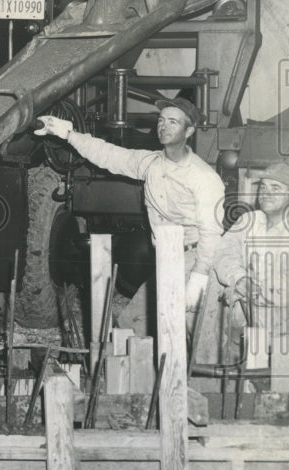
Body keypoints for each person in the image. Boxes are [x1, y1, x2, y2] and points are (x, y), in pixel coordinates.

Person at [35, 97, 226, 335]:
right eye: (161, 120)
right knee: (130, 330)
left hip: (195, 259)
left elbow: (211, 233)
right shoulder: (151, 163)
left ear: (189, 130)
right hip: (167, 259)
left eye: (173, 122)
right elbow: (110, 155)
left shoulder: (204, 177)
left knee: (192, 340)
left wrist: (199, 277)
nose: (163, 126)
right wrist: (68, 134)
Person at [209, 163, 289, 364]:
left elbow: (285, 291)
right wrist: (240, 278)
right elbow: (223, 253)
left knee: (283, 387)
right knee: (248, 383)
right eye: (263, 187)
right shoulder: (247, 221)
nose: (266, 193)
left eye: (276, 188)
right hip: (250, 321)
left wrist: (244, 289)